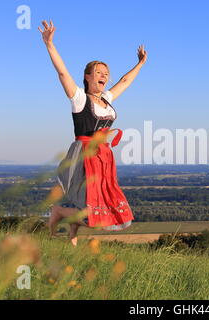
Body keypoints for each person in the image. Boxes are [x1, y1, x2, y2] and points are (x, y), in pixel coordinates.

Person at [39, 20, 147, 246]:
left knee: (95, 201)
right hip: (83, 154)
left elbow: (125, 81)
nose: (104, 76)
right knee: (91, 209)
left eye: (106, 73)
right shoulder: (79, 99)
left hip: (102, 156)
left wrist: (141, 63)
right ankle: (58, 212)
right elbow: (62, 73)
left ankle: (72, 238)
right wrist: (49, 44)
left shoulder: (106, 99)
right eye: (98, 72)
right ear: (87, 76)